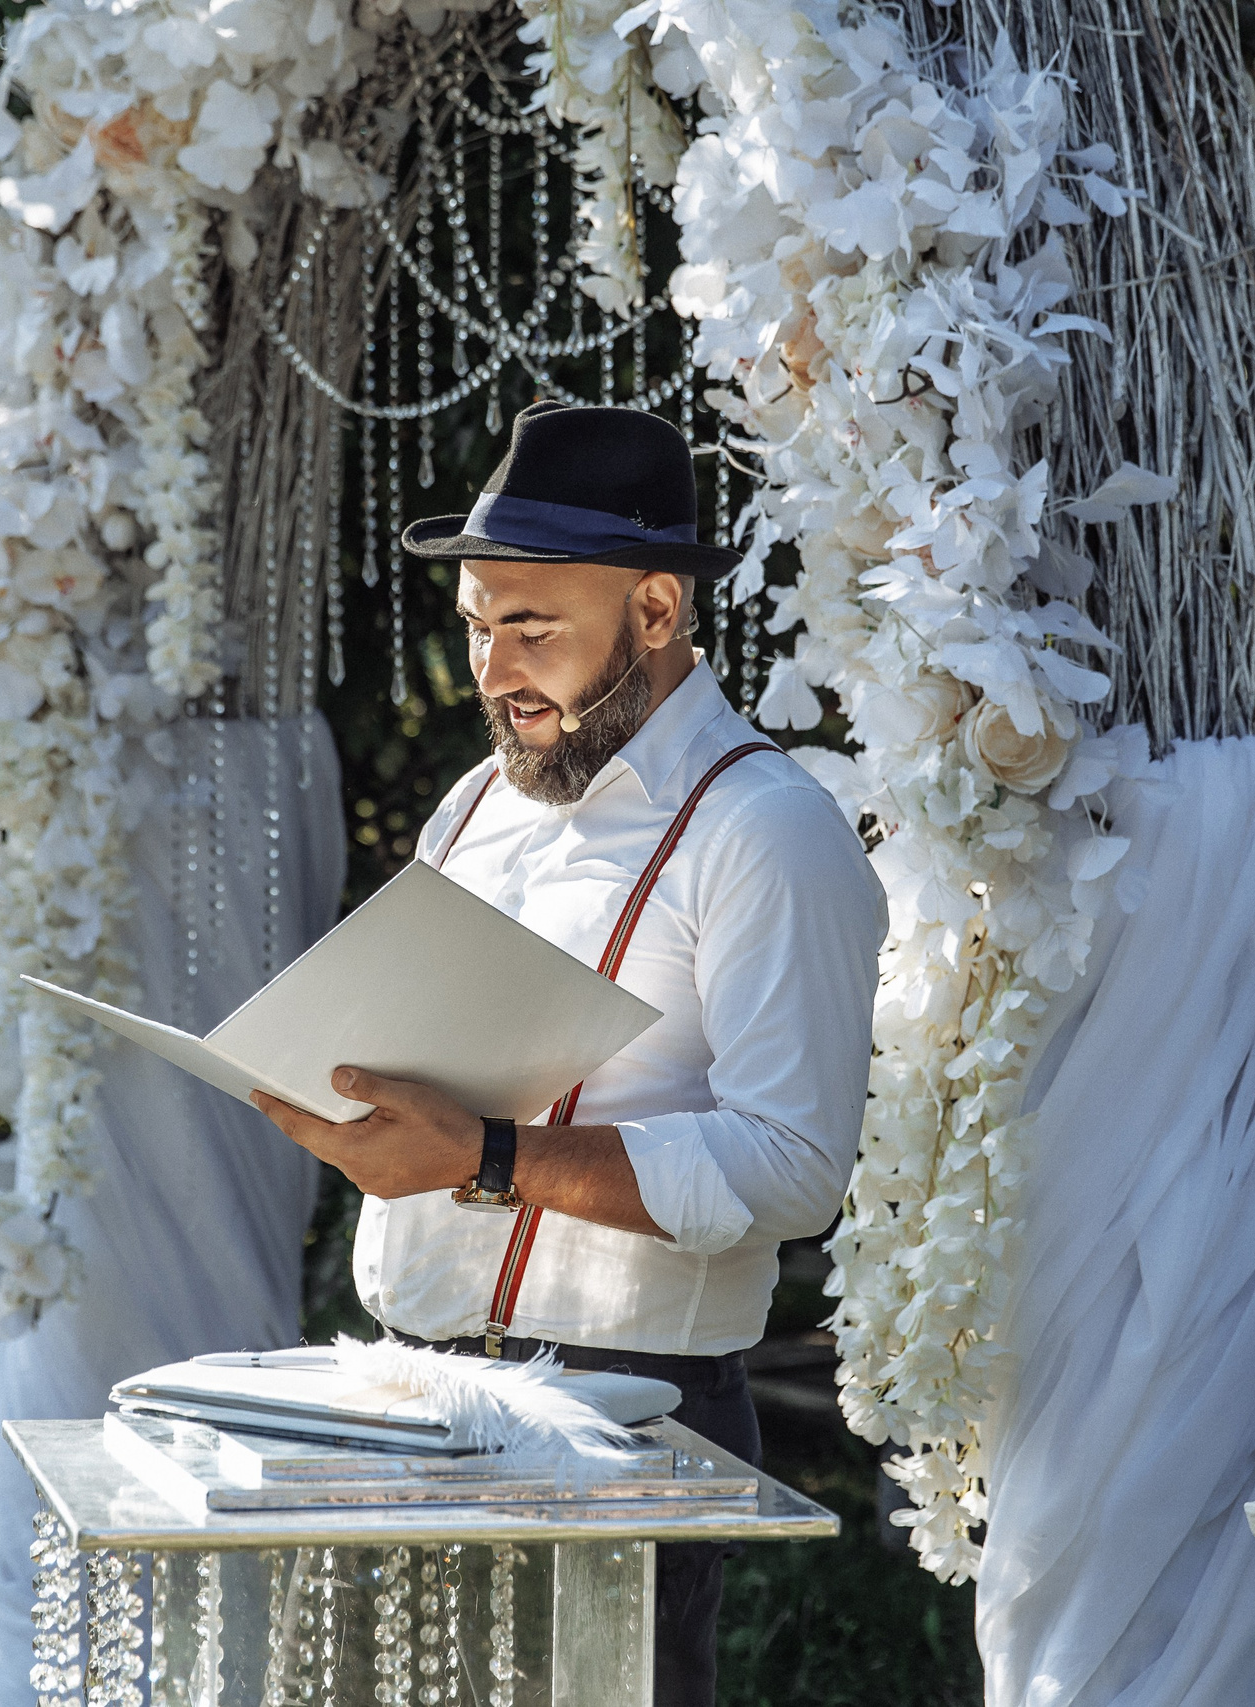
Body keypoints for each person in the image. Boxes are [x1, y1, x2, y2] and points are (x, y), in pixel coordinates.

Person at [250, 399, 887, 1707]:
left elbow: (793, 1169)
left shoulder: (766, 832)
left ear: (656, 613)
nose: (493, 669)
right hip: (402, 1393)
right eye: (479, 626)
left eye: (531, 626)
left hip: (623, 1424)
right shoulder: (474, 806)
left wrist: (485, 1159)